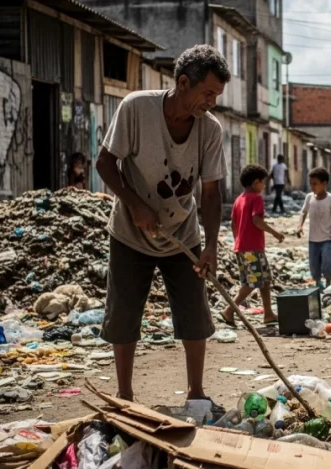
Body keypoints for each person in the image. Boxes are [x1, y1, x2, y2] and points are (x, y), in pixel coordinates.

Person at [95, 45, 230, 405]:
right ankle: (124, 394)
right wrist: (136, 204)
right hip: (129, 232)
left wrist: (212, 245)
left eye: (216, 95)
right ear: (183, 82)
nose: (212, 103)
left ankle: (195, 391)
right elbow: (105, 163)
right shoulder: (136, 108)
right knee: (124, 313)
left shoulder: (210, 130)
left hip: (182, 233)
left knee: (194, 313)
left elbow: (212, 192)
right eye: (208, 93)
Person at [220, 164, 284, 326]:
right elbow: (257, 220)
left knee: (265, 280)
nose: (264, 186)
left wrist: (238, 242)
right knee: (252, 282)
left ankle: (268, 313)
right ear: (256, 182)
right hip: (252, 248)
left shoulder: (239, 200)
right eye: (263, 182)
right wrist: (275, 233)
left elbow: (234, 225)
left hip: (242, 247)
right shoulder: (256, 198)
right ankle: (229, 310)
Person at [296, 167, 331, 289]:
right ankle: (318, 283)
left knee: (327, 262)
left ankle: (328, 283)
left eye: (315, 184)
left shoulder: (330, 199)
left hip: (327, 237)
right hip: (313, 239)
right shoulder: (309, 197)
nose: (312, 186)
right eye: (311, 183)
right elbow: (303, 212)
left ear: (324, 183)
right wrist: (300, 226)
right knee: (314, 264)